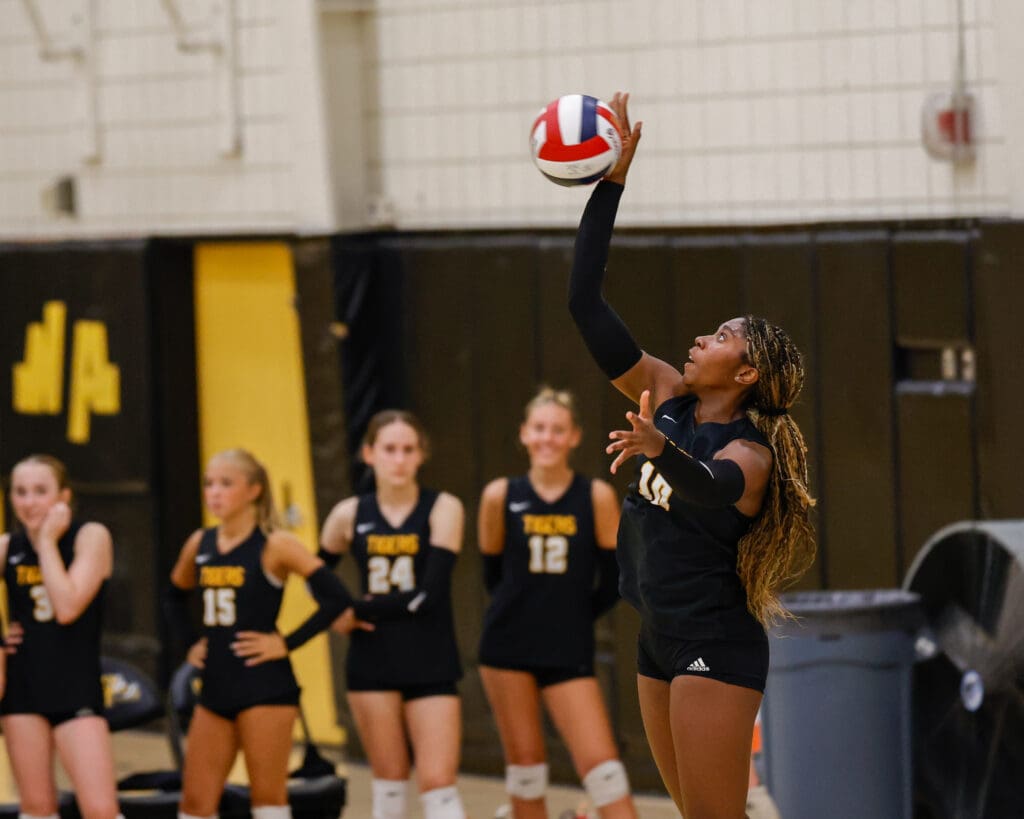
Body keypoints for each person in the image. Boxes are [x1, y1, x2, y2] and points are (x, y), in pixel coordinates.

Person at [568, 92, 817, 819]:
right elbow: (585, 302)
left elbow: (710, 488)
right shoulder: (666, 392)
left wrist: (657, 447)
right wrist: (609, 183)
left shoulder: (755, 450)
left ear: (746, 374)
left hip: (715, 640)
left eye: (721, 337)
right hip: (658, 632)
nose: (702, 339)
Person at [165, 448, 354, 819]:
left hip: (265, 688)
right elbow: (173, 595)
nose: (214, 492)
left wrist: (286, 643)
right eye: (209, 484)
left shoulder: (275, 545)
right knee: (194, 804)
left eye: (225, 484)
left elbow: (336, 597)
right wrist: (190, 644)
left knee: (268, 802)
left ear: (253, 490)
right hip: (216, 688)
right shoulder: (199, 544)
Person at [477, 388, 636, 819]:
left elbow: (620, 575)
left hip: (568, 648)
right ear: (524, 435)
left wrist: (573, 615)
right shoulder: (499, 496)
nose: (548, 437)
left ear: (574, 438)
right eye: (540, 428)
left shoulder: (595, 496)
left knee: (605, 776)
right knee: (526, 769)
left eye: (558, 430)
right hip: (507, 648)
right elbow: (492, 575)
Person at [319, 410, 467, 819]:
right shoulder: (349, 514)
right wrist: (334, 613)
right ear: (369, 454)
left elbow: (428, 596)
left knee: (438, 786)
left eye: (408, 449)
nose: (398, 459)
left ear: (421, 455)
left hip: (431, 659)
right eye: (389, 449)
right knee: (389, 785)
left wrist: (356, 607)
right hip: (371, 661)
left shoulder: (443, 508)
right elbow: (314, 573)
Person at [0, 454, 121, 819]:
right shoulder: (7, 546)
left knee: (100, 809)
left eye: (40, 491)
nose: (29, 501)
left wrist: (47, 543)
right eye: (20, 492)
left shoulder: (90, 536)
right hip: (23, 688)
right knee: (36, 807)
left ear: (64, 496)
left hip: (74, 686)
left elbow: (68, 606)